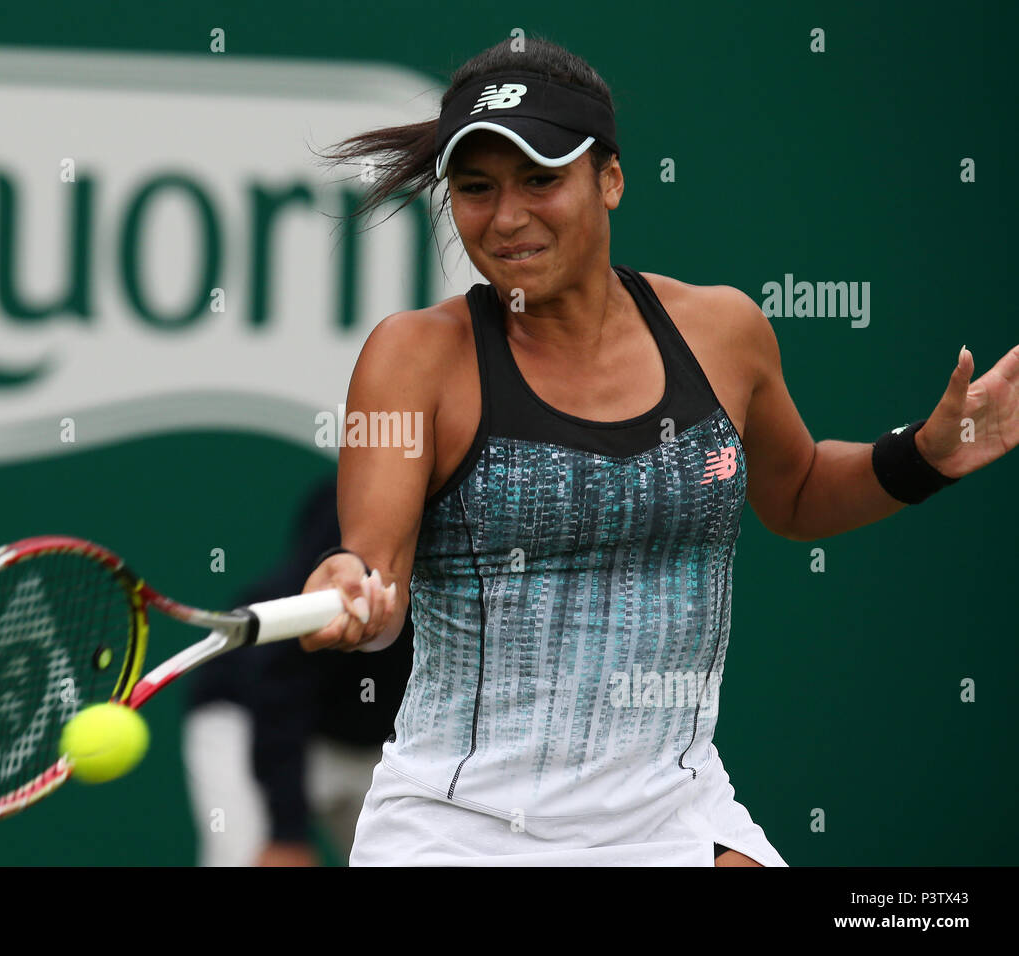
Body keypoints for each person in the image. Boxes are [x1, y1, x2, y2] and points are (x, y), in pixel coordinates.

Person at [296, 36, 1019, 866]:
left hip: (672, 811)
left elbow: (800, 490)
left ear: (609, 179)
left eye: (541, 179)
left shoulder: (723, 331)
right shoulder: (413, 356)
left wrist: (926, 454)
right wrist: (351, 588)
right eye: (476, 189)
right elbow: (373, 564)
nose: (506, 218)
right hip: (459, 830)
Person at [182, 476, 412, 865]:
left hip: (380, 741)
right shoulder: (355, 503)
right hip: (253, 716)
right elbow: (282, 676)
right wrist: (284, 834)